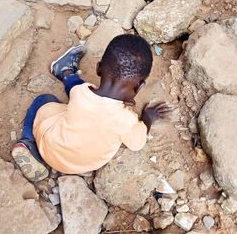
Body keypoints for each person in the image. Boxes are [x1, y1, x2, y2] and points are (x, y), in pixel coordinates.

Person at [12, 34, 170, 182]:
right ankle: (64, 71)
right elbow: (137, 143)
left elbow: (79, 94)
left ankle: (27, 143)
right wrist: (148, 119)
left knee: (44, 100)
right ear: (139, 87)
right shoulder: (126, 121)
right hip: (81, 165)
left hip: (50, 147)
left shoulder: (80, 92)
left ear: (99, 69)